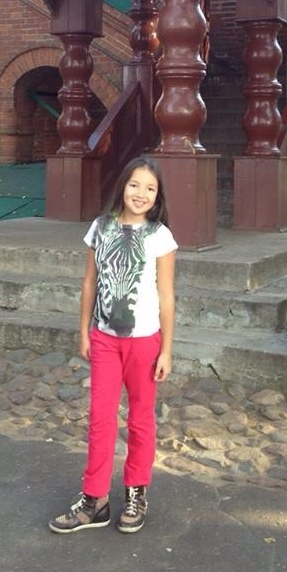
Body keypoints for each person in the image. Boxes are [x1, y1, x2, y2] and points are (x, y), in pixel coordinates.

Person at [49, 155, 177, 534]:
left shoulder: (160, 236)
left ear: (157, 196)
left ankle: (136, 491)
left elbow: (166, 296)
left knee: (141, 419)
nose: (141, 193)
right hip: (105, 339)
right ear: (123, 185)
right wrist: (83, 330)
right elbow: (90, 282)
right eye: (135, 184)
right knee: (100, 418)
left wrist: (167, 349)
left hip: (145, 342)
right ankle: (95, 499)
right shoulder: (100, 228)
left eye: (150, 188)